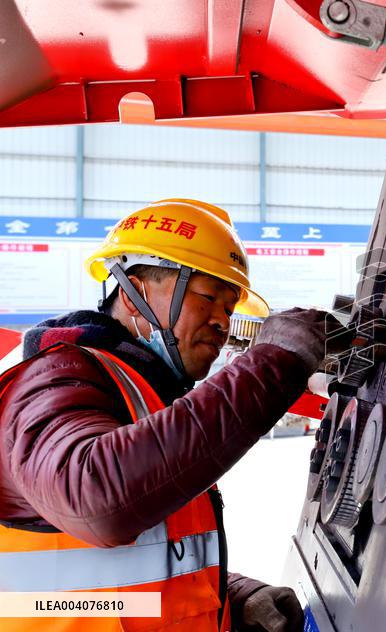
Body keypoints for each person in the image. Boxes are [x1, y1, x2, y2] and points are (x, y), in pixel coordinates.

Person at [0, 199, 331, 631]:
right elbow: (96, 499)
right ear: (133, 294)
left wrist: (232, 598)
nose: (222, 322)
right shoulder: (53, 378)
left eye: (229, 307)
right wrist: (275, 364)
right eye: (208, 296)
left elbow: (126, 578)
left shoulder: (141, 395)